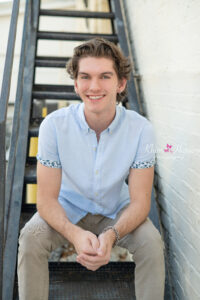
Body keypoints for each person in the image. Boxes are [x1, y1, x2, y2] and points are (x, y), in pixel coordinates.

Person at [18, 37, 165, 300]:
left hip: (116, 212)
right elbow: (46, 199)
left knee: (152, 244)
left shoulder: (141, 130)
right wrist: (73, 233)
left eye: (105, 76)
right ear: (76, 84)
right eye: (85, 76)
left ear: (120, 83)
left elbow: (141, 201)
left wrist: (111, 236)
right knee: (31, 237)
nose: (94, 86)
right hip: (67, 208)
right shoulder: (53, 126)